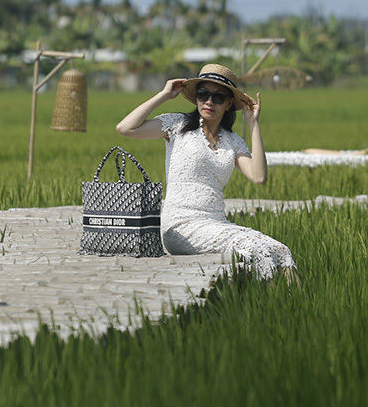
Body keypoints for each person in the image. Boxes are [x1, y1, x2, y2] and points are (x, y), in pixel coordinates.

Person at [116, 64, 299, 283]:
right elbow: (125, 128)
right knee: (256, 247)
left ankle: (291, 304)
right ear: (196, 98)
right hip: (181, 226)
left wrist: (253, 125)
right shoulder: (177, 125)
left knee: (281, 249)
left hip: (217, 224)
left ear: (229, 103)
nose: (209, 101)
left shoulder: (232, 141)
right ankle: (273, 304)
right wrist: (164, 95)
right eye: (203, 94)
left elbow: (258, 177)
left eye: (218, 97)